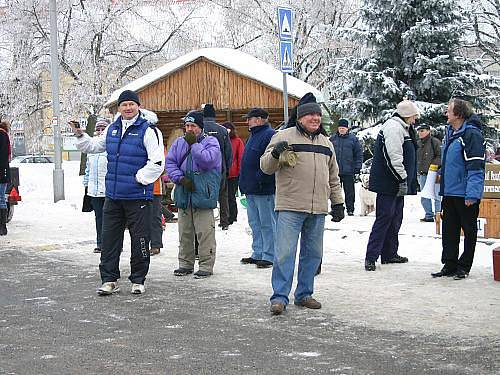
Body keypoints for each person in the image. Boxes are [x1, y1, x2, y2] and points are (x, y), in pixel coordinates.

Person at [70, 89, 165, 295]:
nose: (128, 108)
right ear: (119, 108)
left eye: (132, 104)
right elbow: (94, 146)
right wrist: (80, 134)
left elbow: (157, 162)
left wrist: (139, 178)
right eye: (124, 105)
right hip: (112, 196)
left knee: (139, 240)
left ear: (138, 106)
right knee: (109, 240)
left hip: (137, 196)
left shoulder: (149, 130)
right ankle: (109, 279)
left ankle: (138, 279)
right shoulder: (112, 129)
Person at [261, 101, 344, 315]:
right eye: (311, 115)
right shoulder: (283, 137)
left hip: (317, 208)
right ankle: (279, 297)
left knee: (313, 253)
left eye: (318, 115)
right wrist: (275, 154)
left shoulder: (326, 143)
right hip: (290, 206)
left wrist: (338, 202)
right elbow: (266, 167)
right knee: (284, 253)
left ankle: (304, 294)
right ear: (300, 118)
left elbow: (333, 177)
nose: (316, 119)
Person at [431, 98, 486, 280]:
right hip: (449, 191)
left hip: (465, 193)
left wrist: (472, 194)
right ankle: (450, 263)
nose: (446, 113)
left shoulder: (471, 135)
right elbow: (453, 161)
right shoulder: (451, 132)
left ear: (459, 114)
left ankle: (464, 266)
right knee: (449, 229)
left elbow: (476, 167)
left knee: (469, 230)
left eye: (449, 110)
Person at [166, 110, 221, 279]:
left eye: (193, 126)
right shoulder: (178, 143)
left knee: (205, 232)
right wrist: (180, 179)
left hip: (203, 193)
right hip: (185, 192)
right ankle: (185, 263)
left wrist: (194, 144)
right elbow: (170, 163)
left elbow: (208, 160)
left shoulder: (211, 142)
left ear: (200, 127)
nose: (189, 129)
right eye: (187, 125)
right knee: (185, 231)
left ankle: (206, 264)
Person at [364, 100, 419, 271]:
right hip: (389, 183)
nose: (415, 120)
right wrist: (402, 177)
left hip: (396, 183)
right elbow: (392, 156)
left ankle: (389, 253)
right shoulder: (394, 128)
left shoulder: (404, 127)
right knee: (384, 218)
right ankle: (371, 257)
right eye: (414, 117)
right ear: (407, 115)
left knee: (395, 218)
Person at [239, 108, 277, 269]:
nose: (248, 121)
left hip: (263, 187)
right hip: (251, 187)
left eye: (250, 119)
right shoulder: (253, 136)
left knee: (267, 222)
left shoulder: (270, 135)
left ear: (260, 119)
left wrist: (261, 179)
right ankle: (258, 252)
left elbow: (270, 161)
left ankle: (270, 255)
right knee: (255, 222)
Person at [202, 104, 232, 230]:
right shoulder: (223, 130)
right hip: (220, 168)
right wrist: (227, 167)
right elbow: (228, 151)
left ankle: (206, 221)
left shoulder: (200, 128)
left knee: (204, 194)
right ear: (214, 115)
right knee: (223, 195)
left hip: (203, 168)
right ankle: (224, 222)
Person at [83, 118, 109, 252]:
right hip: (94, 190)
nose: (100, 132)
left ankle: (114, 244)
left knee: (111, 220)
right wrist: (86, 185)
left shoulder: (110, 147)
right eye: (98, 129)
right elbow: (88, 169)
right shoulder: (92, 148)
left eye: (103, 129)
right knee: (99, 218)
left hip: (108, 190)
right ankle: (100, 243)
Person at [330, 118, 363, 216]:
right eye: (340, 128)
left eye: (343, 128)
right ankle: (335, 209)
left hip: (349, 170)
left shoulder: (353, 139)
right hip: (335, 171)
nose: (342, 129)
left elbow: (359, 154)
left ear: (347, 128)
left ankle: (350, 209)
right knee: (335, 191)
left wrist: (357, 166)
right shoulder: (333, 139)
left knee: (350, 192)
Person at [416, 123, 442, 222]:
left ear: (428, 131)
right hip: (422, 173)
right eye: (419, 131)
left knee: (436, 195)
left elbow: (440, 156)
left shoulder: (435, 142)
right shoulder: (418, 143)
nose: (420, 133)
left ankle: (438, 215)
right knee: (424, 195)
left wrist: (434, 166)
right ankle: (429, 215)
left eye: (422, 131)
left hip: (434, 173)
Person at [222, 121, 245, 225]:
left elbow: (241, 157)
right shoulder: (221, 141)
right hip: (223, 173)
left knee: (231, 196)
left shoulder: (237, 141)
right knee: (223, 197)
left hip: (233, 174)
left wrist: (240, 172)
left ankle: (232, 216)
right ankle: (225, 217)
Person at [0, 120, 11, 236]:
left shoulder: (2, 135)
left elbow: (3, 156)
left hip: (1, 173)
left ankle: (2, 227)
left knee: (0, 198)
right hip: (3, 172)